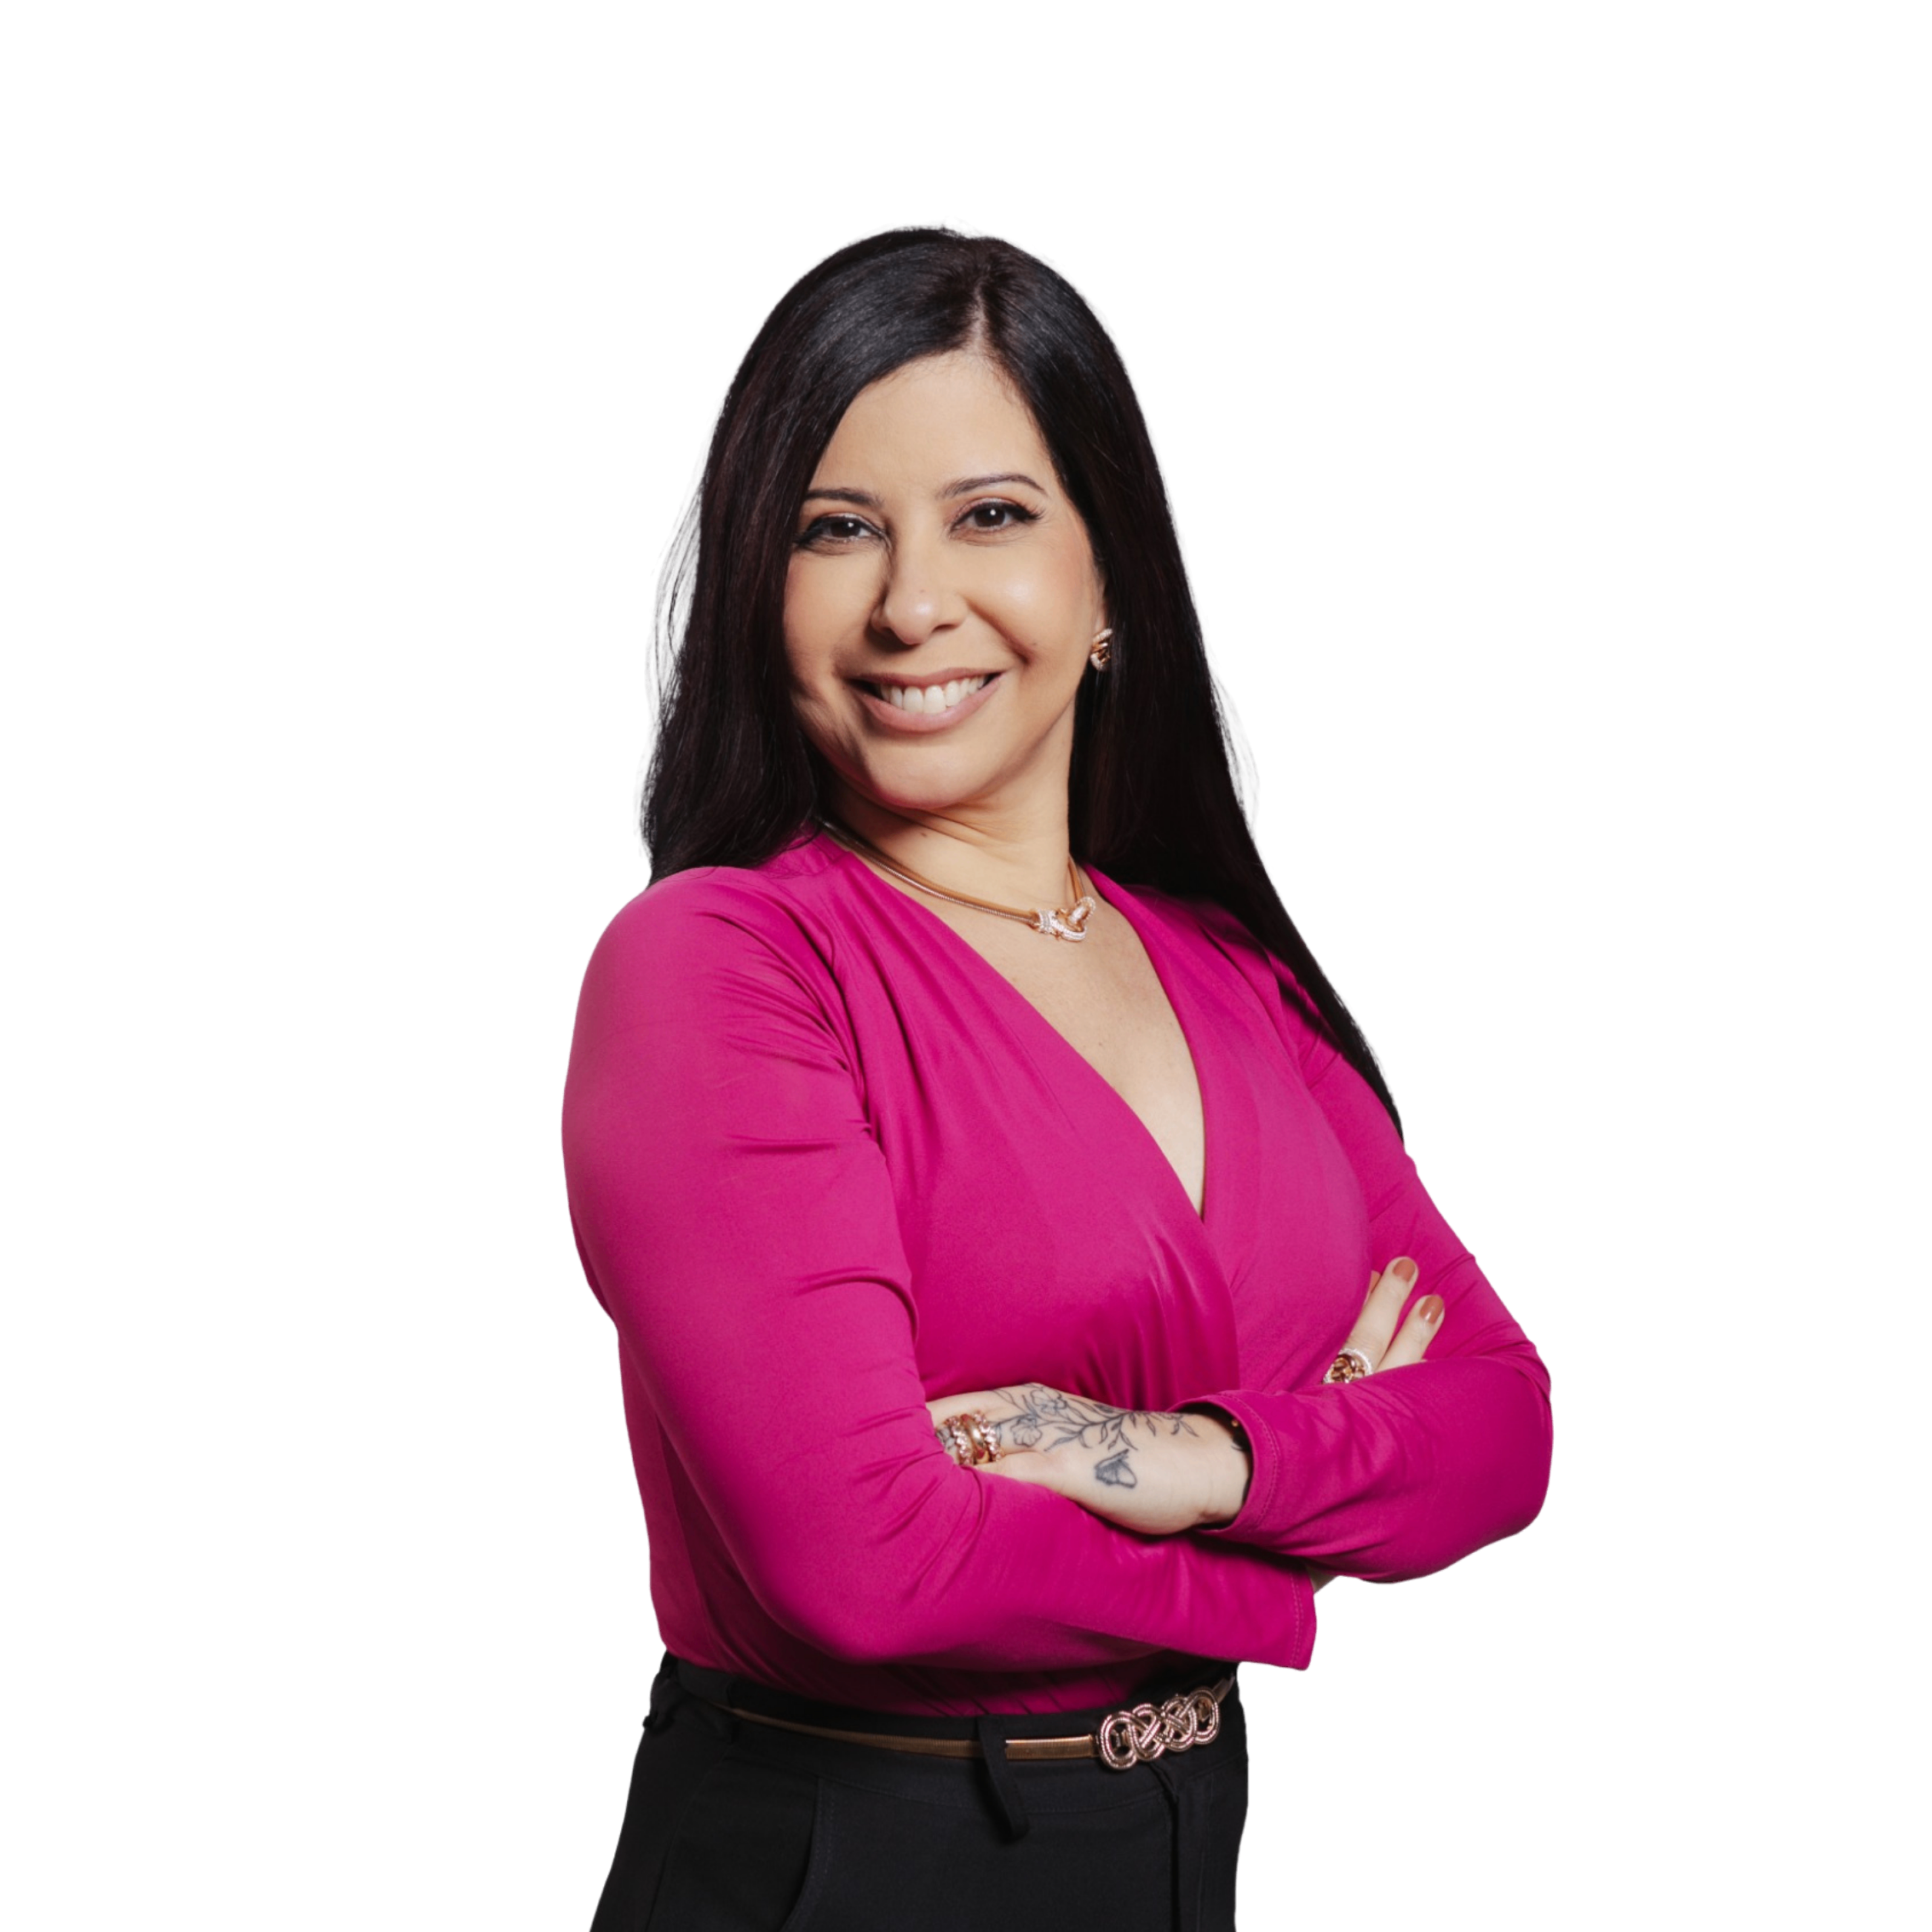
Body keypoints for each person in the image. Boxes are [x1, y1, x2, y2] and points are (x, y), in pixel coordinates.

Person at [562, 223, 1553, 1929]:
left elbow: (1505, 1426)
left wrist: (1188, 1458)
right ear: (758, 592)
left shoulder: (1235, 978)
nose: (910, 603)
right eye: (835, 529)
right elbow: (868, 1571)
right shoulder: (719, 965)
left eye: (992, 515)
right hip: (845, 1863)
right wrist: (1299, 1569)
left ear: (1111, 589)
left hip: (1184, 1843)